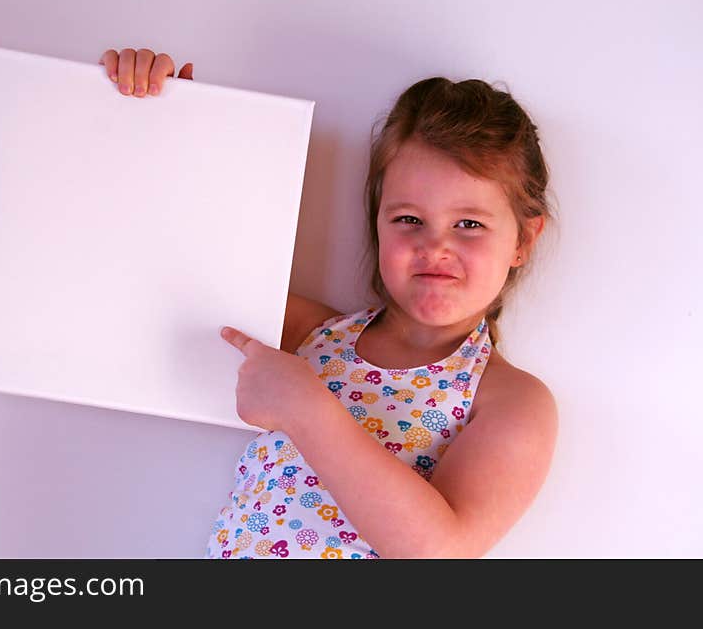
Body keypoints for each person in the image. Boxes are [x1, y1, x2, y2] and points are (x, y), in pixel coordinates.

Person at [99, 47, 559, 559]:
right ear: (377, 223)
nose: (436, 246)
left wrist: (308, 410)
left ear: (524, 239)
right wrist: (165, 115)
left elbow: (438, 552)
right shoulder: (314, 335)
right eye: (408, 219)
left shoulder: (510, 401)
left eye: (469, 224)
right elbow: (165, 275)